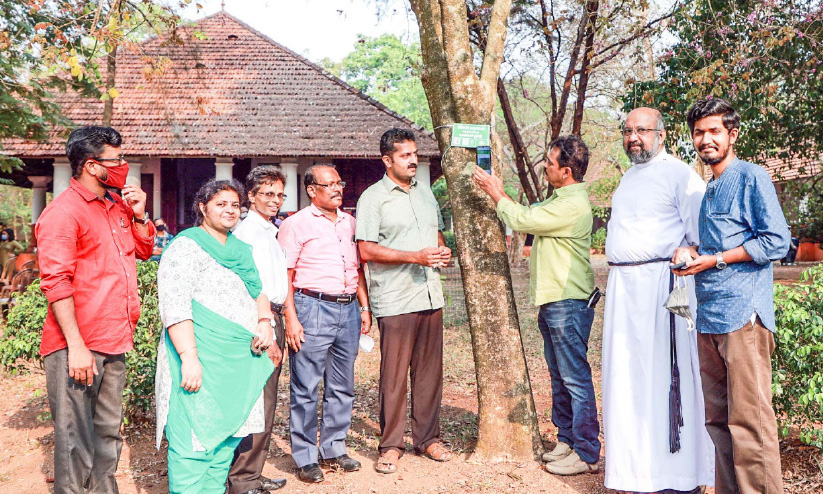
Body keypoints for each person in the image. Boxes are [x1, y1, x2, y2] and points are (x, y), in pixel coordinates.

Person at [674, 98, 790, 494]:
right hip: (708, 316)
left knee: (751, 422)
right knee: (718, 422)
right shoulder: (710, 189)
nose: (705, 139)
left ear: (732, 134)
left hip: (744, 317)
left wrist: (715, 259)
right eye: (699, 133)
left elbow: (777, 240)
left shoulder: (750, 176)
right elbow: (712, 248)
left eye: (714, 131)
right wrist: (690, 254)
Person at [35, 125, 156, 493]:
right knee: (75, 440)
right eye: (116, 159)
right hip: (77, 344)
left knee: (107, 433)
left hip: (115, 336)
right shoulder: (62, 213)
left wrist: (138, 215)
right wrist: (76, 346)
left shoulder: (117, 205)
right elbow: (56, 283)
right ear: (91, 165)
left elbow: (144, 250)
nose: (123, 166)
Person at [474, 135, 601, 476]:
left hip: (569, 303)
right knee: (559, 376)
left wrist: (495, 191)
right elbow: (529, 213)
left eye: (550, 161)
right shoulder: (558, 198)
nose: (544, 165)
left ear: (566, 171)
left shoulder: (572, 204)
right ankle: (568, 440)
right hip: (555, 301)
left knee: (574, 378)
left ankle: (587, 452)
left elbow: (523, 220)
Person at [602, 107, 713, 494]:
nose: (634, 137)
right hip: (624, 290)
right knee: (628, 379)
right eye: (628, 131)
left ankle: (676, 478)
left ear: (662, 136)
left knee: (668, 375)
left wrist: (688, 248)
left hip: (665, 289)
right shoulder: (628, 178)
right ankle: (636, 473)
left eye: (643, 130)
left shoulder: (680, 175)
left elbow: (701, 234)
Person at [155, 179, 276, 494]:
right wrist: (189, 358)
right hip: (200, 358)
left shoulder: (239, 249)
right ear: (202, 207)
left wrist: (265, 322)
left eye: (235, 205)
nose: (230, 210)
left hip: (239, 361)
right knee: (193, 442)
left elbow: (257, 291)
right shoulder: (185, 246)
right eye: (221, 203)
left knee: (224, 446)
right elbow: (176, 306)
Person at [355, 128, 452, 475]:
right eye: (405, 155)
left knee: (429, 374)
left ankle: (428, 439)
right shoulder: (373, 198)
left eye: (415, 154)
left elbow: (435, 235)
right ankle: (391, 445)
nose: (413, 160)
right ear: (387, 159)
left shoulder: (425, 194)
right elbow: (365, 249)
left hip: (430, 294)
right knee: (394, 377)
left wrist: (441, 251)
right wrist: (415, 256)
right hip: (395, 299)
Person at [278, 164, 371, 483]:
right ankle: (305, 456)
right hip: (311, 307)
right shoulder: (295, 224)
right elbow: (285, 275)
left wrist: (364, 307)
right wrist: (291, 317)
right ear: (311, 190)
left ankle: (333, 447)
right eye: (329, 184)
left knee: (342, 385)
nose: (337, 189)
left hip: (347, 310)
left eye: (339, 183)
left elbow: (357, 268)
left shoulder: (350, 222)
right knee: (305, 387)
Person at [227, 166, 289, 494]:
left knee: (265, 403)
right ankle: (241, 479)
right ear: (250, 196)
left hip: (273, 317)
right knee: (256, 404)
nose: (275, 200)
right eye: (267, 194)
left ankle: (252, 473)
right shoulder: (247, 232)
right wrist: (264, 331)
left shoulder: (269, 231)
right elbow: (248, 287)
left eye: (280, 195)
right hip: (260, 323)